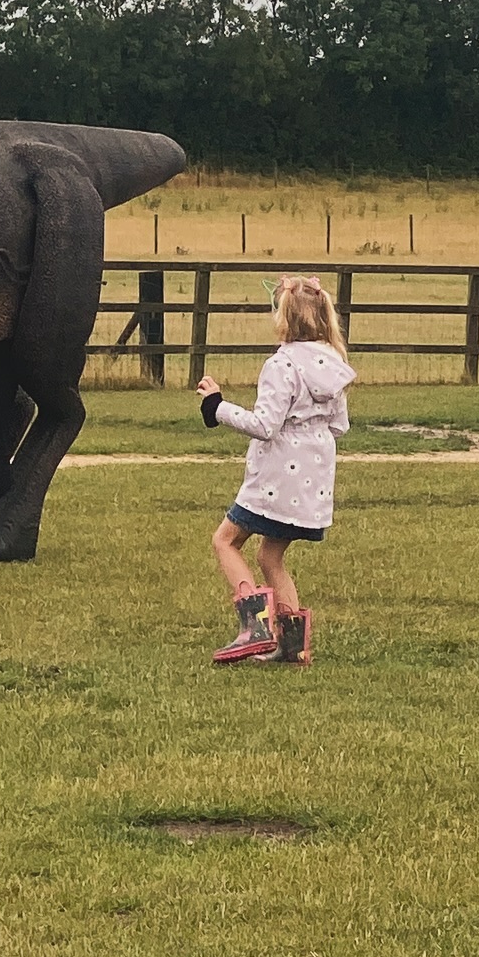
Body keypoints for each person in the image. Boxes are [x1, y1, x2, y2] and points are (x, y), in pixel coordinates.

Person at [196, 275, 356, 667]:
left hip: (273, 480)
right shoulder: (334, 366)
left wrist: (217, 407)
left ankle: (256, 626)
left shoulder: (280, 365)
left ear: (282, 318)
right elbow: (338, 426)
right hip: (312, 483)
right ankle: (293, 647)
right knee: (271, 556)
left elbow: (266, 424)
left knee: (226, 541)